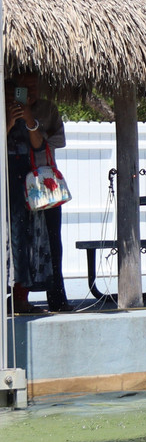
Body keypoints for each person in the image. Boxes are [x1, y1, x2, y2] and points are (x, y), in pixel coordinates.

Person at [5, 74, 66, 314]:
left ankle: (25, 296)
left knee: (29, 239)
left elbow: (41, 144)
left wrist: (29, 117)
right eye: (20, 89)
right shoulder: (8, 112)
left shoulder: (44, 110)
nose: (26, 91)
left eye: (33, 86)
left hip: (32, 181)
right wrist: (9, 120)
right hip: (7, 178)